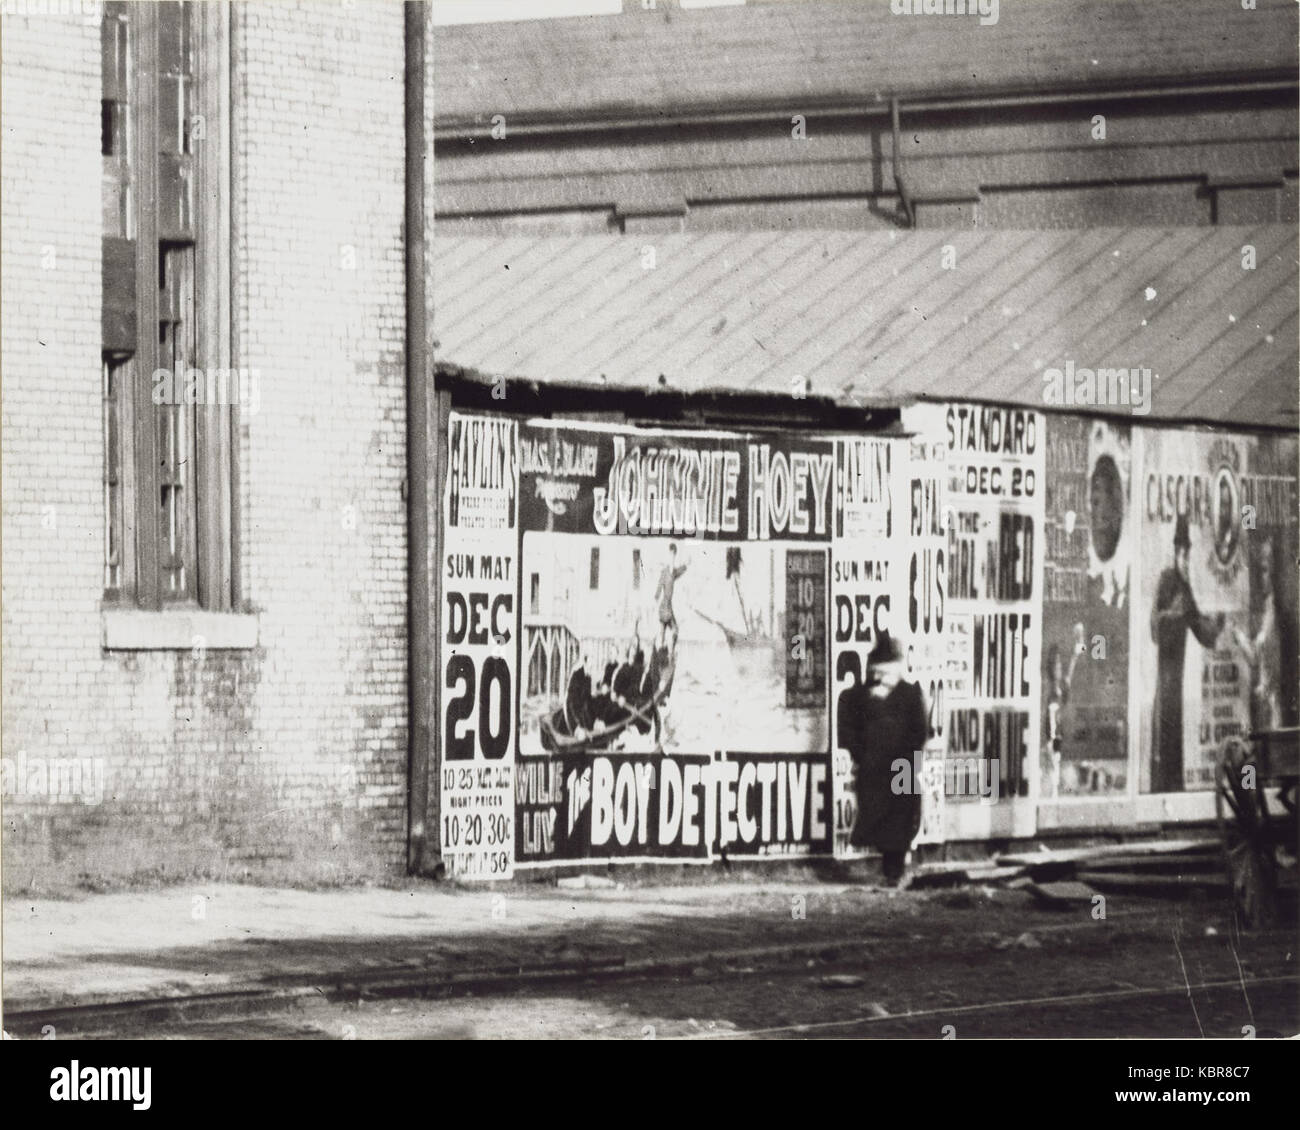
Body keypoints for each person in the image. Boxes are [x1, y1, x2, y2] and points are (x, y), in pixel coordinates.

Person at [844, 633, 928, 888]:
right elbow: (850, 731)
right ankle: (890, 868)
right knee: (879, 817)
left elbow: (919, 731)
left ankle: (895, 870)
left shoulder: (910, 694)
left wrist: (909, 761)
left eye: (884, 670)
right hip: (874, 768)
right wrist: (863, 756)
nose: (879, 676)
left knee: (901, 818)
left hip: (901, 766)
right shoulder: (859, 696)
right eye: (876, 670)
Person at [1150, 515, 1224, 793]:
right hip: (1164, 672)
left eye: (1187, 553)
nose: (1185, 559)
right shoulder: (1166, 580)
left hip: (1176, 677)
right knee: (1163, 732)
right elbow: (1154, 624)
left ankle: (1172, 788)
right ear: (1175, 552)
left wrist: (1215, 627)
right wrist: (1171, 614)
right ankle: (1161, 789)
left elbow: (1197, 625)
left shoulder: (1185, 585)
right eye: (1181, 553)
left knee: (1174, 732)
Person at [655, 543, 688, 648]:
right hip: (664, 607)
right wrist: (655, 600)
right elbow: (658, 589)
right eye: (671, 556)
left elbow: (678, 571)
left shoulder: (672, 572)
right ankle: (664, 650)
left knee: (672, 631)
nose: (673, 560)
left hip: (668, 607)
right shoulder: (664, 572)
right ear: (669, 556)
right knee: (666, 632)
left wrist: (686, 565)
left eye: (674, 557)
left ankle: (669, 651)